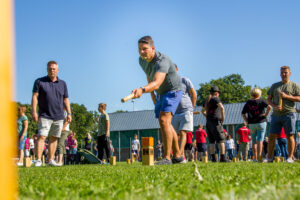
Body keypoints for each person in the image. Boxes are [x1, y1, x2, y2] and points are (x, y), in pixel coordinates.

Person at [130, 36, 183, 165]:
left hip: (173, 90)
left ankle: (167, 158)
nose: (141, 52)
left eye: (145, 49)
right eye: (139, 49)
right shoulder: (141, 61)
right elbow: (149, 76)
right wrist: (153, 96)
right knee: (167, 124)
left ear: (152, 48)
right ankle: (178, 156)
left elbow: (157, 82)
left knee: (164, 120)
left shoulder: (162, 61)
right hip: (160, 93)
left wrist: (142, 90)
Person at [31, 60, 72, 167]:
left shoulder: (63, 84)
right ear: (47, 69)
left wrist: (69, 113)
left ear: (57, 70)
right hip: (44, 115)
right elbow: (35, 96)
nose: (52, 70)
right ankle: (38, 160)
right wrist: (34, 111)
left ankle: (50, 160)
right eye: (50, 69)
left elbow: (66, 99)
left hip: (59, 116)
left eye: (54, 69)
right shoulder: (39, 82)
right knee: (42, 136)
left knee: (54, 138)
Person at [265, 66, 300, 163]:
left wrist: (287, 96)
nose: (284, 74)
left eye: (286, 72)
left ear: (290, 73)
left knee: (290, 136)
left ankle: (290, 157)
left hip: (289, 113)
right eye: (282, 73)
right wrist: (274, 106)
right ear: (280, 74)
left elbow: (299, 98)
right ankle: (269, 158)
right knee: (271, 136)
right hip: (276, 115)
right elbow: (268, 99)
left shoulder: (294, 85)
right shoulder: (274, 86)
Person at [171, 64, 197, 163]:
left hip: (186, 111)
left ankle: (180, 156)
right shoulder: (168, 84)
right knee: (175, 135)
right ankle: (177, 154)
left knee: (182, 132)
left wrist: (191, 108)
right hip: (175, 113)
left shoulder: (185, 80)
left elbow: (194, 95)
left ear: (177, 69)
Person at [242, 87, 271, 162]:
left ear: (251, 94)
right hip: (261, 122)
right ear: (259, 94)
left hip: (252, 123)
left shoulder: (248, 102)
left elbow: (243, 113)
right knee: (260, 140)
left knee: (254, 141)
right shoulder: (261, 100)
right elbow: (269, 107)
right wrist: (266, 114)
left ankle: (254, 158)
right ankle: (259, 157)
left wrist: (247, 121)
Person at [201, 86, 227, 162]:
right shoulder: (215, 98)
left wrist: (207, 116)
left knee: (211, 141)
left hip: (208, 122)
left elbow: (203, 111)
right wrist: (223, 118)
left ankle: (213, 158)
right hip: (216, 122)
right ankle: (222, 158)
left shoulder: (207, 100)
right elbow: (222, 107)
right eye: (218, 93)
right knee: (221, 140)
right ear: (217, 93)